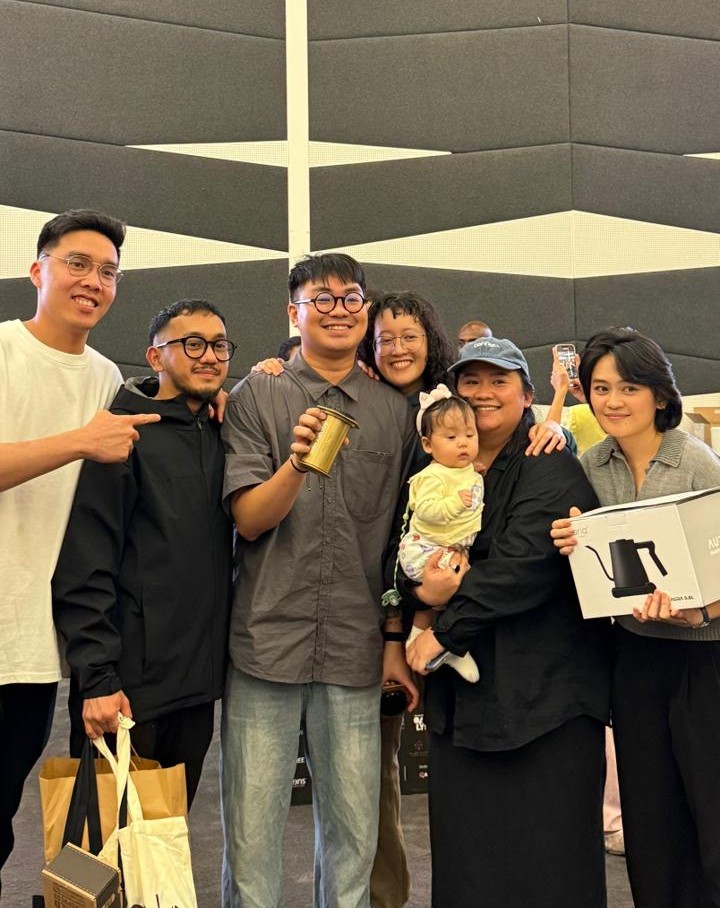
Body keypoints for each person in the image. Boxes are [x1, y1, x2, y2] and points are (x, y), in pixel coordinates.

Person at [220, 253, 418, 908]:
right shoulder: (258, 395)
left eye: (350, 297)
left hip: (355, 650)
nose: (338, 309)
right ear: (293, 313)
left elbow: (400, 543)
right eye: (321, 298)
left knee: (353, 838)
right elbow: (249, 519)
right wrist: (297, 465)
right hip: (264, 646)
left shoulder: (395, 412)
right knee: (251, 841)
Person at [405, 337, 612, 908]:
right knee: (471, 869)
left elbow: (524, 567)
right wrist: (418, 588)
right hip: (466, 711)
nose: (483, 393)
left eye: (499, 381)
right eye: (470, 382)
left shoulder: (551, 464)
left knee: (551, 868)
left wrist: (444, 631)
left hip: (546, 704)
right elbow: (404, 549)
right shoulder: (434, 471)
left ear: (527, 395)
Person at [0, 209, 159, 884]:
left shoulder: (106, 380)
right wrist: (77, 442)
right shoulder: (4, 351)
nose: (93, 280)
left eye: (108, 272)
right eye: (77, 263)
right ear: (38, 270)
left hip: (36, 646)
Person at [551, 327, 720, 908]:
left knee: (711, 811)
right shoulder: (591, 466)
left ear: (660, 395)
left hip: (705, 660)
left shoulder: (698, 463)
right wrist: (568, 539)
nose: (613, 401)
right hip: (635, 659)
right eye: (600, 388)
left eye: (629, 386)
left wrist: (699, 610)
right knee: (650, 818)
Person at [52, 299, 234, 806]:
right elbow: (86, 560)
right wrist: (97, 678)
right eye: (191, 344)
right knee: (106, 859)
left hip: (196, 690)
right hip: (126, 689)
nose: (209, 356)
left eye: (219, 345)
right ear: (156, 358)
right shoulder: (121, 433)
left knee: (165, 849)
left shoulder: (224, 429)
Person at [398, 387, 482, 683]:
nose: (463, 444)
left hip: (452, 545)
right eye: (451, 438)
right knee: (450, 590)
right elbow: (427, 510)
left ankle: (430, 642)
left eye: (470, 435)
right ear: (428, 444)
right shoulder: (431, 476)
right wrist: (455, 503)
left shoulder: (463, 469)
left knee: (454, 590)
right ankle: (437, 645)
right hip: (428, 549)